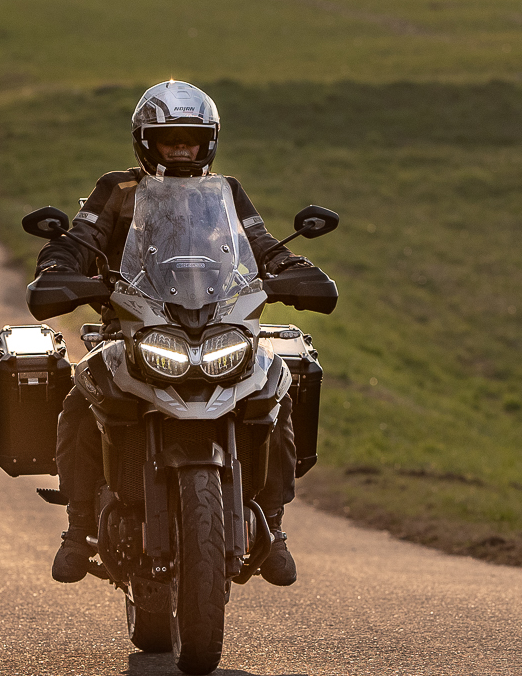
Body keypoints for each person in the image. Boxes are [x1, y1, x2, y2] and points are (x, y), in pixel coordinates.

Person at [32, 80, 319, 587]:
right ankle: (77, 531)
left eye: (192, 138)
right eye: (171, 139)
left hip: (216, 326)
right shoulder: (118, 190)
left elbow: (261, 242)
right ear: (147, 142)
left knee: (277, 383)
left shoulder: (225, 192)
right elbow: (80, 239)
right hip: (134, 328)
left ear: (208, 141)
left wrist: (293, 267)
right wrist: (59, 269)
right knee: (82, 391)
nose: (183, 148)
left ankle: (274, 526)